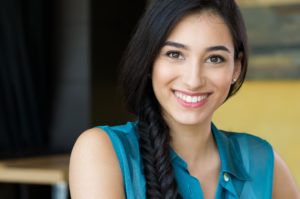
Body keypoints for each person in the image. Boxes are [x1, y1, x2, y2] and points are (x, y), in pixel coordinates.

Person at [69, 0, 300, 198]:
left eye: (215, 58)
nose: (193, 80)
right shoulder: (102, 151)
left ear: (236, 68)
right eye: (174, 54)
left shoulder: (263, 162)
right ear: (150, 62)